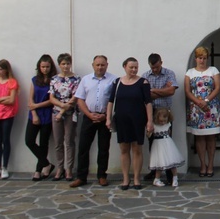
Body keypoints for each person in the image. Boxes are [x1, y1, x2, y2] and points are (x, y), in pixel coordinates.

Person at [107, 57, 154, 190]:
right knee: (124, 149)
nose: (134, 70)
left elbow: (148, 102)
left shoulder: (143, 82)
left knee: (137, 149)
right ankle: (125, 179)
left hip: (138, 120)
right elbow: (110, 101)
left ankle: (137, 179)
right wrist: (108, 118)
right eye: (131, 67)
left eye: (136, 67)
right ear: (125, 67)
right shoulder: (117, 82)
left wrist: (149, 121)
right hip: (122, 120)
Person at [70, 55, 117, 188]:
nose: (100, 67)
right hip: (88, 117)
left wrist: (106, 116)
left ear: (107, 65)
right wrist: (89, 115)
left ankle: (102, 175)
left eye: (102, 65)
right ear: (93, 65)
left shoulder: (113, 79)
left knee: (103, 148)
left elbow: (113, 100)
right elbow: (80, 99)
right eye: (97, 65)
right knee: (83, 147)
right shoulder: (86, 79)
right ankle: (81, 177)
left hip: (104, 118)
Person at [184, 46, 220, 177]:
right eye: (200, 58)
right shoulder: (190, 73)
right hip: (196, 109)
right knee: (199, 137)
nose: (202, 61)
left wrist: (206, 100)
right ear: (196, 59)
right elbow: (187, 91)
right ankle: (202, 164)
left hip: (210, 108)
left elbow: (217, 88)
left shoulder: (213, 70)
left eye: (205, 58)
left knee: (211, 137)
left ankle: (211, 164)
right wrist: (198, 102)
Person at [143, 53, 178, 183]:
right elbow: (146, 96)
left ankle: (169, 173)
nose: (155, 70)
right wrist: (163, 89)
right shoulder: (145, 75)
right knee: (152, 143)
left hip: (165, 114)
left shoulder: (169, 73)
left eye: (157, 67)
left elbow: (171, 91)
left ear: (161, 63)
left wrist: (154, 91)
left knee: (167, 142)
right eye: (152, 68)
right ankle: (154, 171)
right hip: (151, 113)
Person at [25, 54, 57, 181]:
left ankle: (38, 170)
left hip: (48, 115)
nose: (45, 69)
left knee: (44, 143)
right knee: (29, 141)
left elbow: (52, 100)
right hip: (34, 114)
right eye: (43, 66)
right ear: (39, 67)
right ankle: (47, 164)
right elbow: (30, 99)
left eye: (47, 66)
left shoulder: (54, 81)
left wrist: (36, 105)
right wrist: (34, 113)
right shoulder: (34, 80)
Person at [49, 53, 80, 181]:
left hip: (70, 112)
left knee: (69, 141)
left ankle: (69, 169)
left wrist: (65, 108)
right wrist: (61, 106)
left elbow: (76, 96)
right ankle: (59, 168)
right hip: (57, 112)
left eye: (67, 63)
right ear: (59, 65)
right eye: (63, 64)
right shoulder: (54, 79)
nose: (65, 66)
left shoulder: (76, 78)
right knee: (58, 142)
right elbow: (51, 97)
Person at [149, 108, 185, 187]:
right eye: (161, 121)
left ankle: (175, 178)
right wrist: (149, 131)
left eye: (164, 121)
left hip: (168, 144)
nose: (162, 123)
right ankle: (157, 179)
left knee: (172, 162)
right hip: (158, 145)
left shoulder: (168, 124)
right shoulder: (154, 125)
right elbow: (149, 135)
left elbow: (169, 132)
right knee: (159, 163)